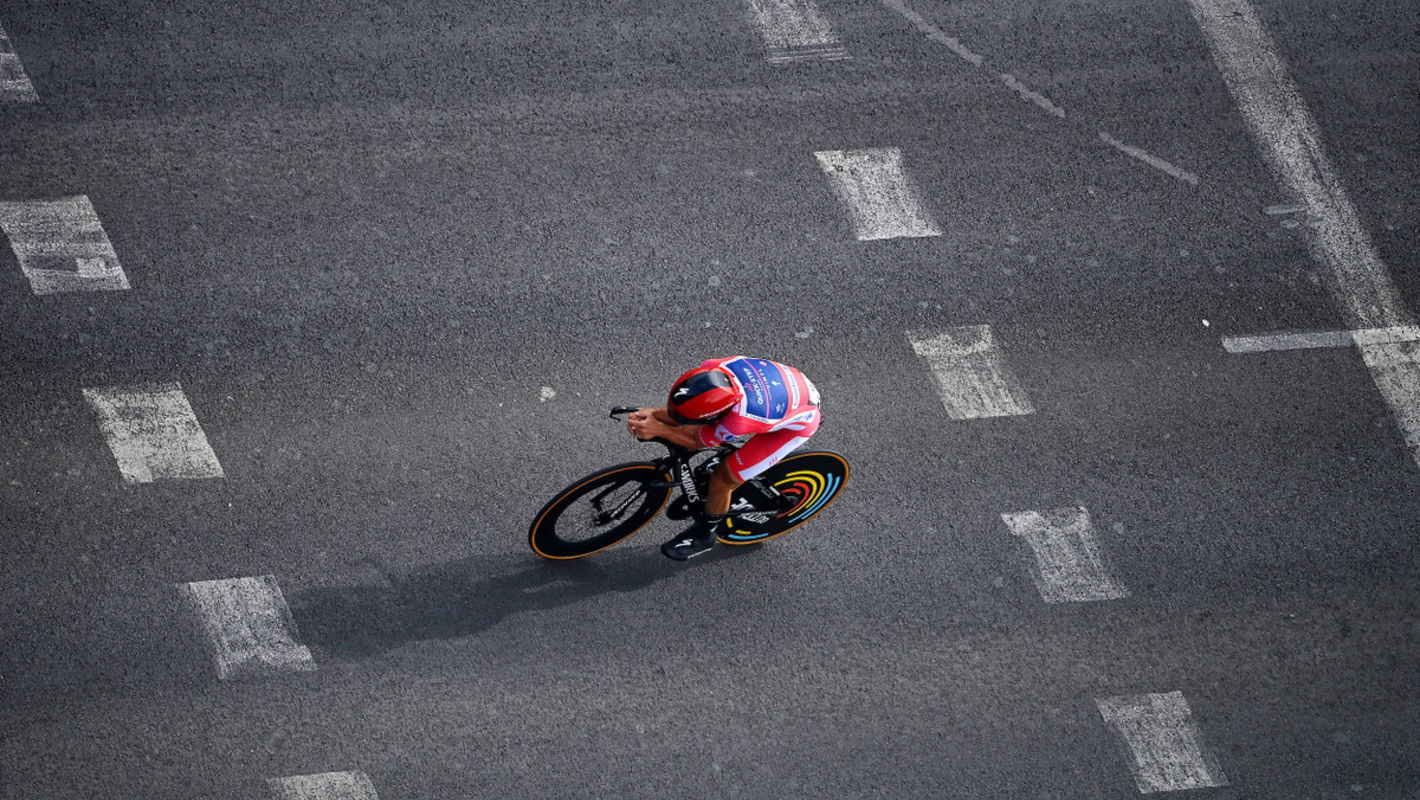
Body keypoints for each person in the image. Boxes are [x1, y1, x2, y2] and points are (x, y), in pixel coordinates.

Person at [626, 356, 821, 560]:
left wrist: (658, 427)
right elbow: (688, 415)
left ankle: (706, 533)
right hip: (788, 388)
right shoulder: (712, 366)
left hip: (797, 422)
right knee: (695, 430)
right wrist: (656, 415)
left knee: (721, 480)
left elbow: (695, 440)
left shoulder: (740, 420)